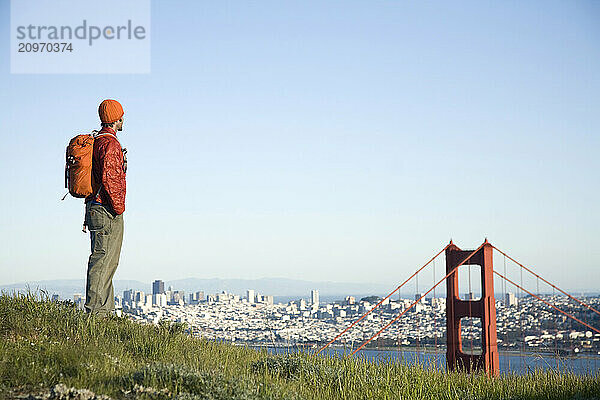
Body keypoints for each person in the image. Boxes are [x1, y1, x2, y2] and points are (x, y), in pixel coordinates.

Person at [84, 99, 127, 317]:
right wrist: (119, 208)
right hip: (106, 209)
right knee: (104, 260)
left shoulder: (97, 141)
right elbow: (111, 179)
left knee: (107, 260)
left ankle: (104, 312)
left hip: (94, 207)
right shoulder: (110, 144)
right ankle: (96, 315)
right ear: (117, 118)